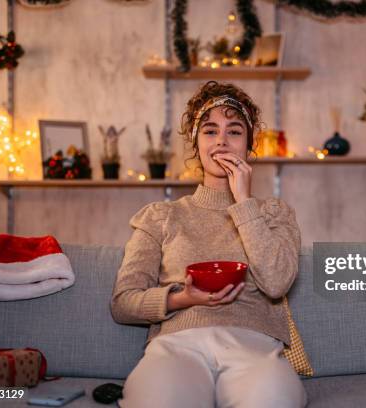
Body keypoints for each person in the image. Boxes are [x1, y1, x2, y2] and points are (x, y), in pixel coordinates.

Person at [110, 80, 307, 408]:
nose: (222, 142)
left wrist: (244, 201)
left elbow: (276, 283)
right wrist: (180, 298)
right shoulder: (161, 216)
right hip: (177, 346)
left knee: (273, 400)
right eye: (210, 131)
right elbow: (123, 302)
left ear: (249, 144)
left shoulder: (274, 213)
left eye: (234, 131)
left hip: (254, 347)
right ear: (196, 143)